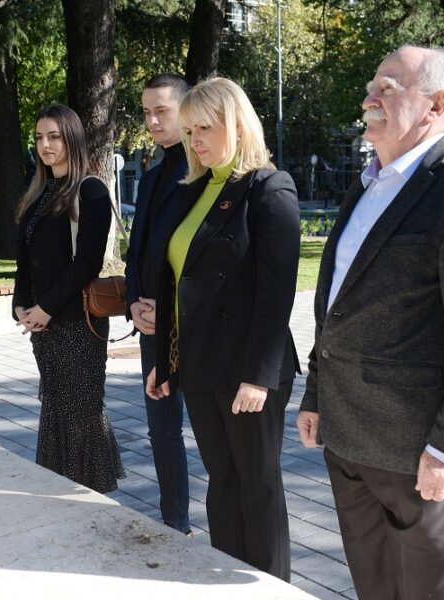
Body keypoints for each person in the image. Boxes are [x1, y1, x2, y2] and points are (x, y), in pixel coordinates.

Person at [297, 46, 444, 600]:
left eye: (388, 87)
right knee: (374, 589)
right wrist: (316, 395)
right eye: (371, 87)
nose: (369, 100)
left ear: (436, 105)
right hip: (347, 441)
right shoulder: (368, 183)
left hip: (419, 454)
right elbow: (337, 303)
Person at [146, 76, 301, 580]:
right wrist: (165, 361)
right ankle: (228, 579)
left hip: (248, 368)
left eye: (205, 128)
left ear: (236, 124)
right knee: (222, 481)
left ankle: (270, 587)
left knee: (258, 485)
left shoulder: (268, 187)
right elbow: (178, 283)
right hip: (200, 365)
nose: (195, 140)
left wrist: (259, 376)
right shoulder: (193, 190)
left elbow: (277, 294)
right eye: (190, 130)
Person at [13, 103, 125, 494]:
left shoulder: (90, 190)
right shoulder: (39, 193)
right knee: (57, 410)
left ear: (72, 139)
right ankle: (61, 488)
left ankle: (90, 496)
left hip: (77, 324)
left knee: (82, 414)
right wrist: (20, 305)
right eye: (39, 137)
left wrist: (45, 308)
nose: (45, 145)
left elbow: (87, 263)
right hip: (44, 328)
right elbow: (25, 259)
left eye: (54, 136)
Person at [124, 74, 192, 534]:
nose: (151, 121)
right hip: (150, 325)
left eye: (161, 111)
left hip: (190, 323)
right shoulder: (150, 178)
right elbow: (136, 252)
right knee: (161, 429)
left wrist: (166, 309)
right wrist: (133, 302)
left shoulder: (203, 174)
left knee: (211, 430)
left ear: (186, 110)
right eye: (146, 112)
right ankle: (176, 523)